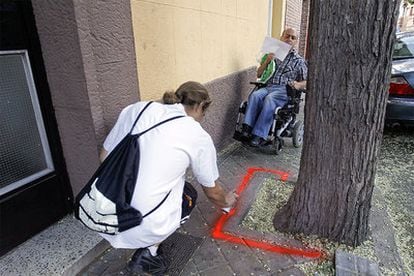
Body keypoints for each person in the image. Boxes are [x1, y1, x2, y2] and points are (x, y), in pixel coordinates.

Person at [99, 81, 238, 274]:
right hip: (141, 220)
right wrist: (227, 201)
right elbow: (213, 192)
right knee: (188, 194)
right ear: (199, 107)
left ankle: (147, 242)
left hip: (105, 205)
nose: (202, 118)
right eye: (204, 113)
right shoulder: (197, 134)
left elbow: (105, 156)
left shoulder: (138, 108)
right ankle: (149, 252)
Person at [242, 28, 308, 147]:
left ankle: (259, 135)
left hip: (285, 90)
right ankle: (247, 128)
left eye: (293, 38)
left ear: (296, 41)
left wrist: (298, 84)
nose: (289, 39)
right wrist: (267, 61)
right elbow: (259, 74)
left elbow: (306, 81)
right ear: (281, 37)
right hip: (269, 86)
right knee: (255, 95)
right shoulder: (273, 54)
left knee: (270, 99)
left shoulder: (299, 61)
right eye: (287, 36)